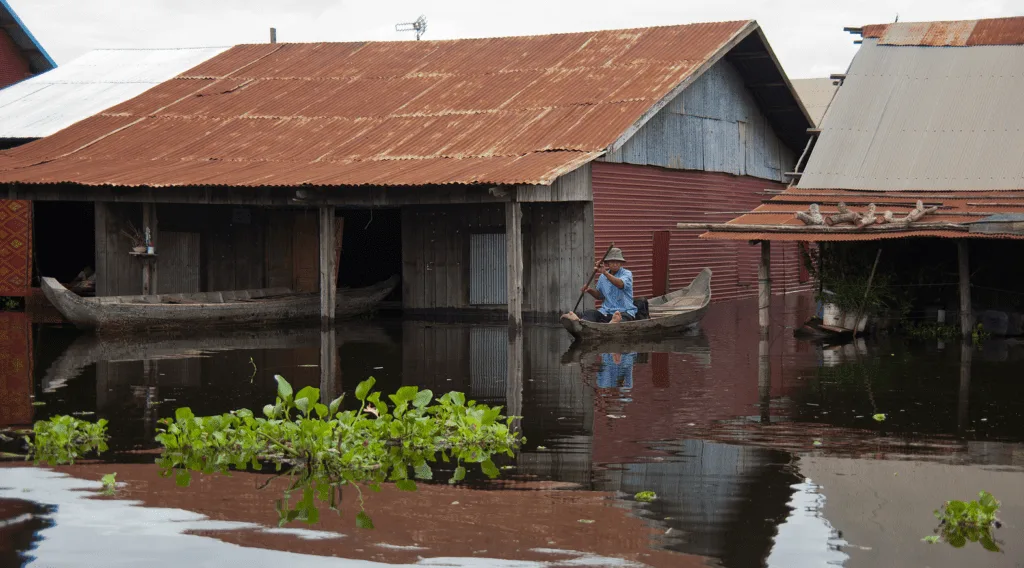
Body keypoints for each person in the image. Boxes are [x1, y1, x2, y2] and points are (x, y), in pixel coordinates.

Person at [564, 247, 637, 323]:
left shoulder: (627, 274)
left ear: (621, 263)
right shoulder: (602, 277)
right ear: (608, 262)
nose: (615, 264)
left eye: (617, 262)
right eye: (612, 262)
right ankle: (579, 321)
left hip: (624, 311)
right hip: (606, 311)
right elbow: (600, 296)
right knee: (590, 313)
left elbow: (620, 284)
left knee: (620, 319)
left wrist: (605, 273)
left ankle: (614, 322)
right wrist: (589, 290)